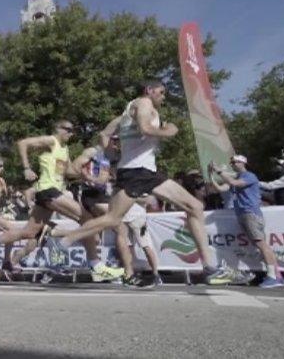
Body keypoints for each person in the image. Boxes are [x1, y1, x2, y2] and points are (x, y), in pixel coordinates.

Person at [57, 80, 234, 284]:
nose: (163, 96)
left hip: (143, 172)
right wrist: (169, 130)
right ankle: (67, 239)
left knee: (194, 206)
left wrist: (112, 154)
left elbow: (104, 134)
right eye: (161, 92)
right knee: (114, 219)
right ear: (149, 90)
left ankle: (209, 268)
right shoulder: (144, 103)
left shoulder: (123, 115)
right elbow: (145, 128)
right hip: (138, 172)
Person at [0, 120, 121, 282]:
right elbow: (23, 143)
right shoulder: (52, 140)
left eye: (74, 131)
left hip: (50, 193)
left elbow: (70, 172)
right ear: (58, 129)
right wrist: (26, 168)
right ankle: (95, 265)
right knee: (87, 219)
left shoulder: (64, 150)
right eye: (68, 130)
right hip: (48, 190)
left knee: (29, 233)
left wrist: (86, 171)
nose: (71, 134)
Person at [209, 155, 284, 288]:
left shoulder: (249, 176)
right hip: (243, 214)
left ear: (243, 163)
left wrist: (219, 171)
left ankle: (273, 276)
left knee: (262, 245)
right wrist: (211, 175)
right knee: (261, 245)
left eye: (235, 162)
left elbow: (234, 184)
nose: (233, 164)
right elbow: (220, 189)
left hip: (250, 213)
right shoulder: (237, 178)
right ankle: (278, 276)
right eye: (232, 162)